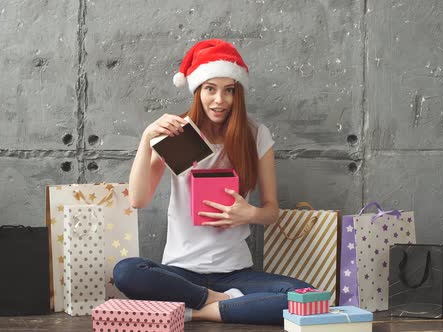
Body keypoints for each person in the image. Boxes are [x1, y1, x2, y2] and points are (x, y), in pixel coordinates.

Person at [113, 39, 312, 325]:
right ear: (197, 90)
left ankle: (195, 312)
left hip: (236, 273)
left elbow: (271, 211)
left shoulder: (255, 135)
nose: (220, 100)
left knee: (304, 295)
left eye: (229, 90)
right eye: (210, 89)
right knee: (126, 271)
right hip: (180, 273)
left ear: (237, 93)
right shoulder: (180, 133)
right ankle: (217, 302)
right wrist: (147, 139)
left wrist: (250, 214)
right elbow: (138, 199)